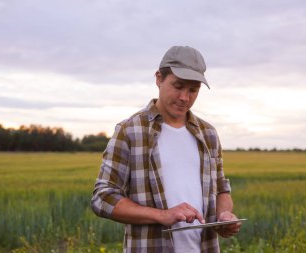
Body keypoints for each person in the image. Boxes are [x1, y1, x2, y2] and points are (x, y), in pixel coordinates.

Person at [91, 46, 241, 253]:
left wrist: (224, 216)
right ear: (159, 78)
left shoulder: (208, 134)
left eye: (193, 90)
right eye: (178, 86)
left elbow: (221, 189)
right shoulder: (130, 131)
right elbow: (103, 198)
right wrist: (162, 215)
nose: (184, 98)